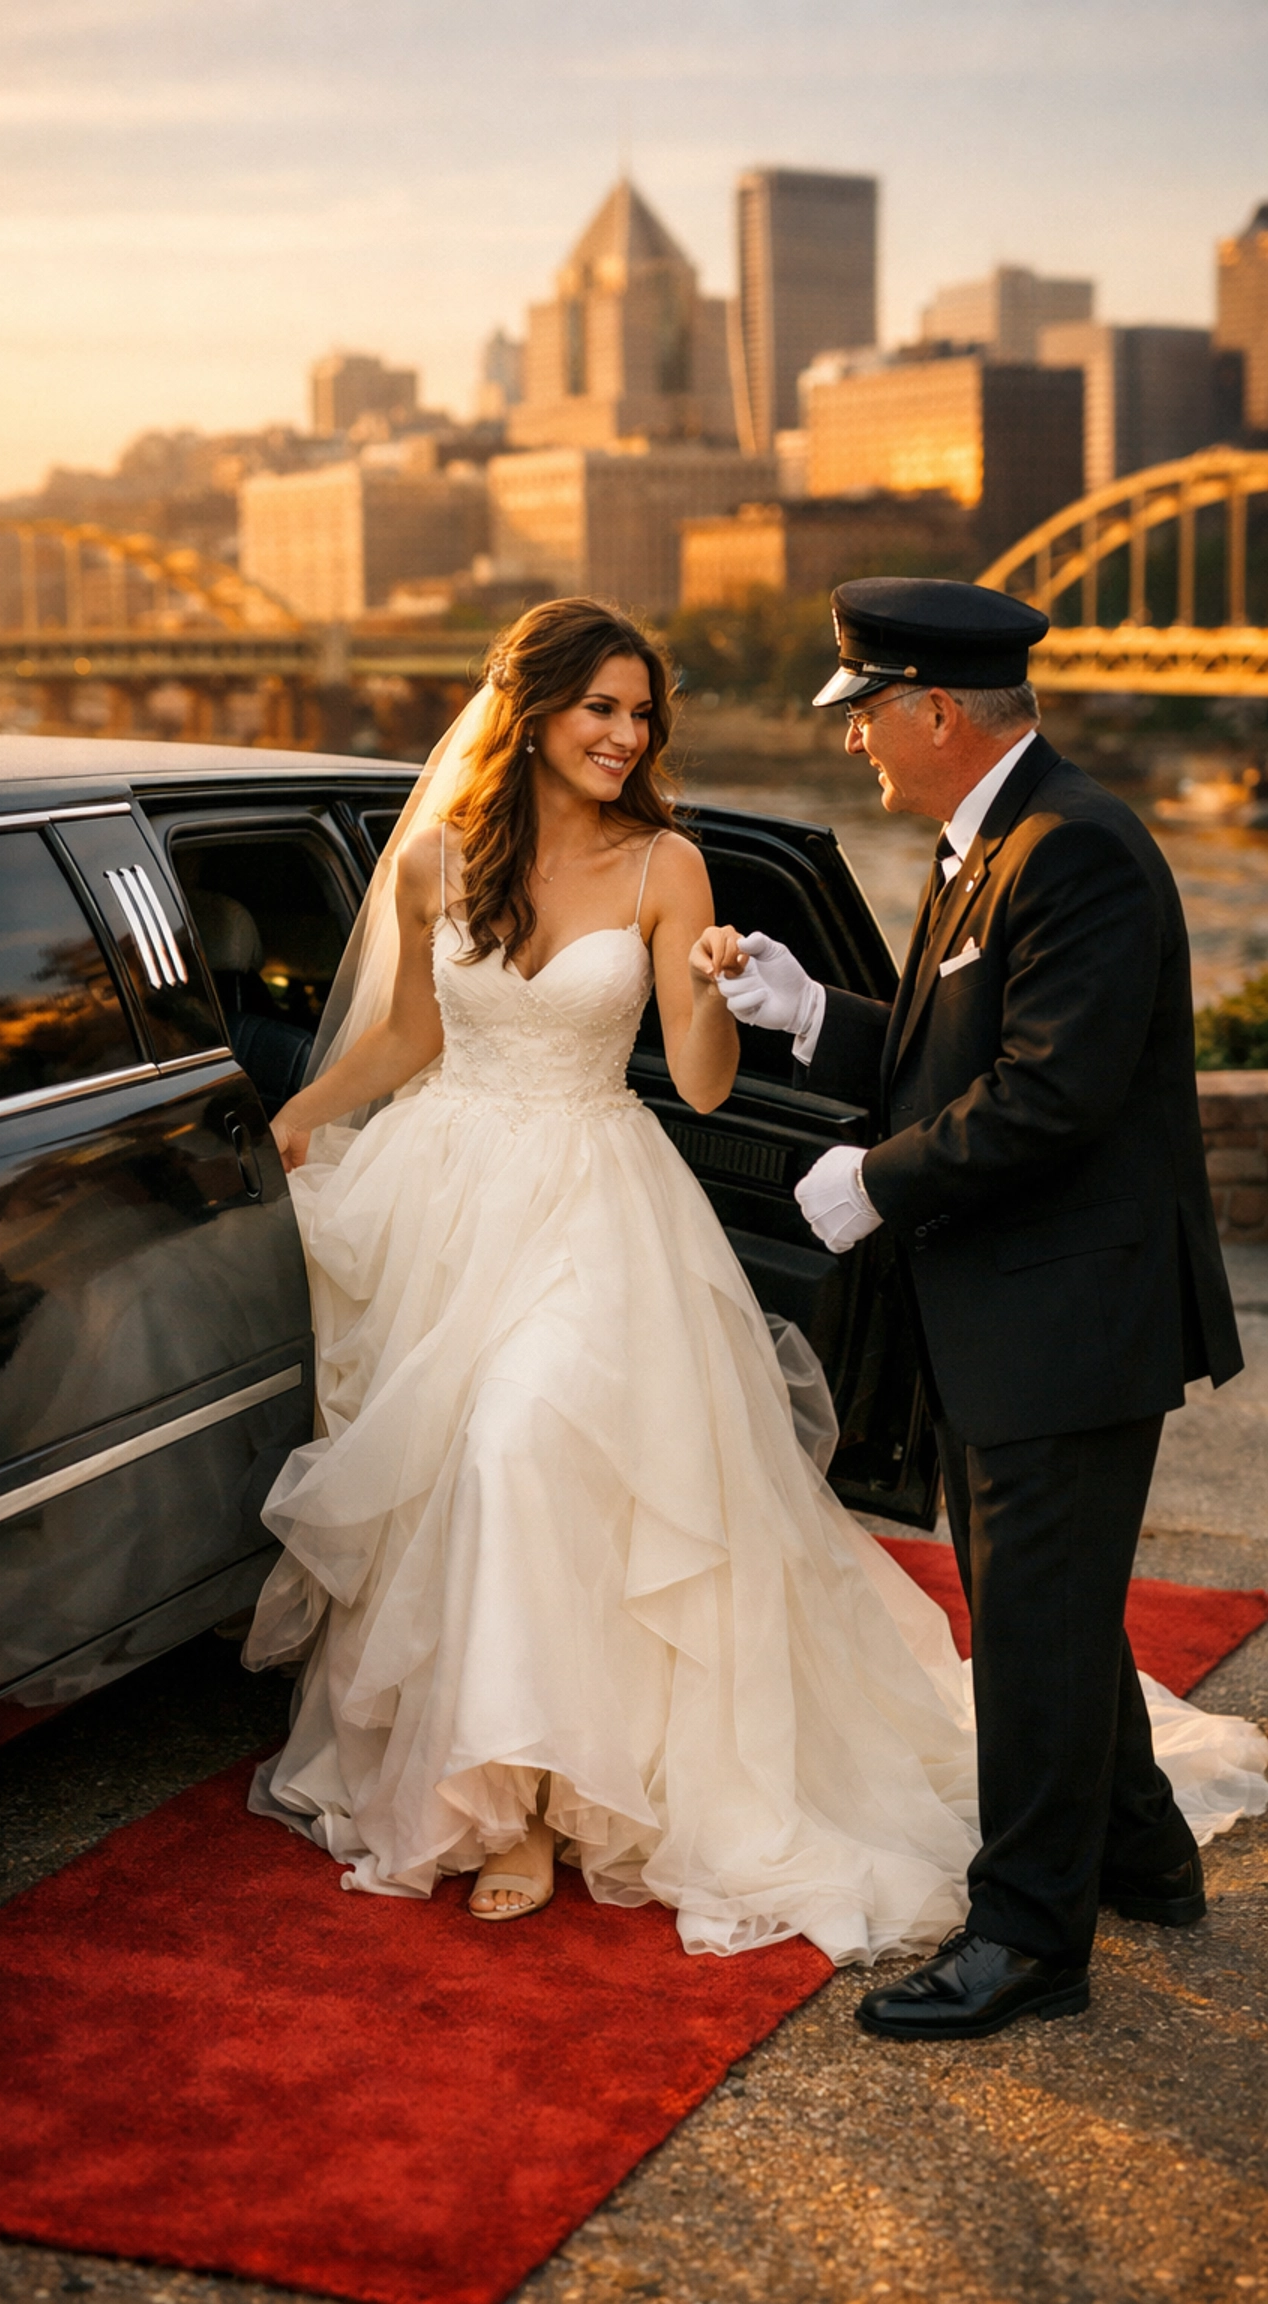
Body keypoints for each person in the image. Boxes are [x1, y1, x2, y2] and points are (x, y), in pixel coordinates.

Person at [242, 595, 1263, 1971]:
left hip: (611, 1214)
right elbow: (416, 1033)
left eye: (638, 710)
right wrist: (308, 1113)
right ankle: (1133, 1842)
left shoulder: (1035, 850)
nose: (625, 732)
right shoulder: (441, 861)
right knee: (456, 1481)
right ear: (533, 709)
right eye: (601, 706)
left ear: (936, 711)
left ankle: (568, 1806)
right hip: (448, 1198)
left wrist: (741, 1019)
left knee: (519, 1446)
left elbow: (1011, 1088)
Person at [720, 576, 1255, 2037]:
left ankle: (1028, 1941)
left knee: (1028, 1628)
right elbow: (962, 1043)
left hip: (1068, 1324)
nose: (856, 746)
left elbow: (1050, 1097)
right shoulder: (996, 841)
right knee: (1053, 1617)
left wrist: (875, 1185)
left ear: (938, 709)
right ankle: (1140, 1851)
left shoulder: (1073, 849)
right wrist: (816, 1013)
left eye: (868, 716)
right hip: (1024, 1315)